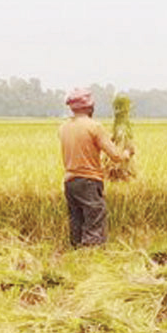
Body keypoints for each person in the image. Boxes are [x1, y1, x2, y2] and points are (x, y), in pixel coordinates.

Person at [58, 88, 133, 247]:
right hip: (89, 181)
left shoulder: (63, 128)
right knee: (95, 216)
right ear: (89, 107)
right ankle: (92, 255)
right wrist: (127, 152)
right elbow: (116, 156)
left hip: (70, 182)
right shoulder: (94, 127)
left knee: (76, 219)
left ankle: (77, 252)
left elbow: (85, 145)